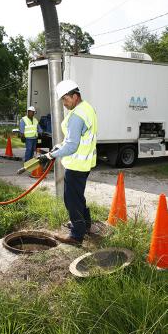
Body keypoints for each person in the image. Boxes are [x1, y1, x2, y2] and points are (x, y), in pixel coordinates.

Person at [39, 80, 97, 246]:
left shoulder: (77, 115)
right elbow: (75, 139)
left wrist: (50, 156)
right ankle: (85, 225)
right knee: (78, 196)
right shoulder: (87, 108)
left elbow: (71, 145)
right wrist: (56, 148)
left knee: (71, 199)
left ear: (75, 96)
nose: (64, 103)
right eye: (62, 100)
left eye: (66, 99)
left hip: (76, 164)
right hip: (85, 162)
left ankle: (76, 236)